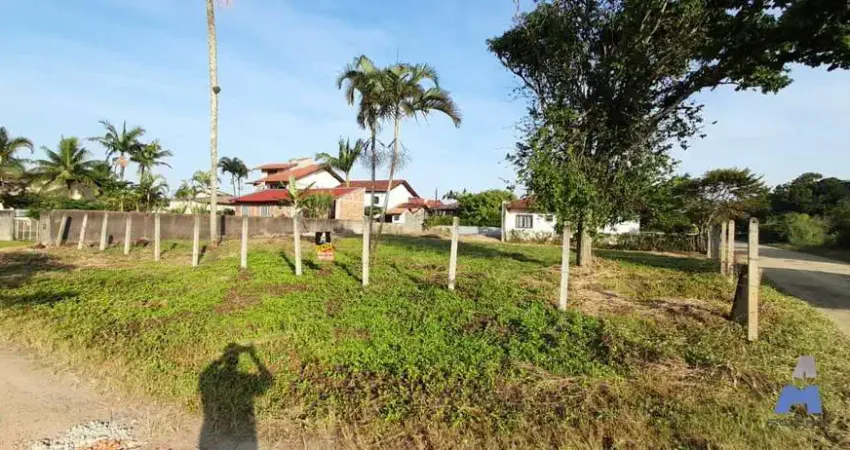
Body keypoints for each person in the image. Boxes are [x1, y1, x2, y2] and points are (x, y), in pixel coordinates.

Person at [198, 343, 272, 449]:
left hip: (221, 428)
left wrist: (221, 359)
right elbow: (268, 381)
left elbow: (204, 376)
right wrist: (254, 357)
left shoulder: (217, 379)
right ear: (238, 362)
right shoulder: (245, 380)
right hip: (242, 429)